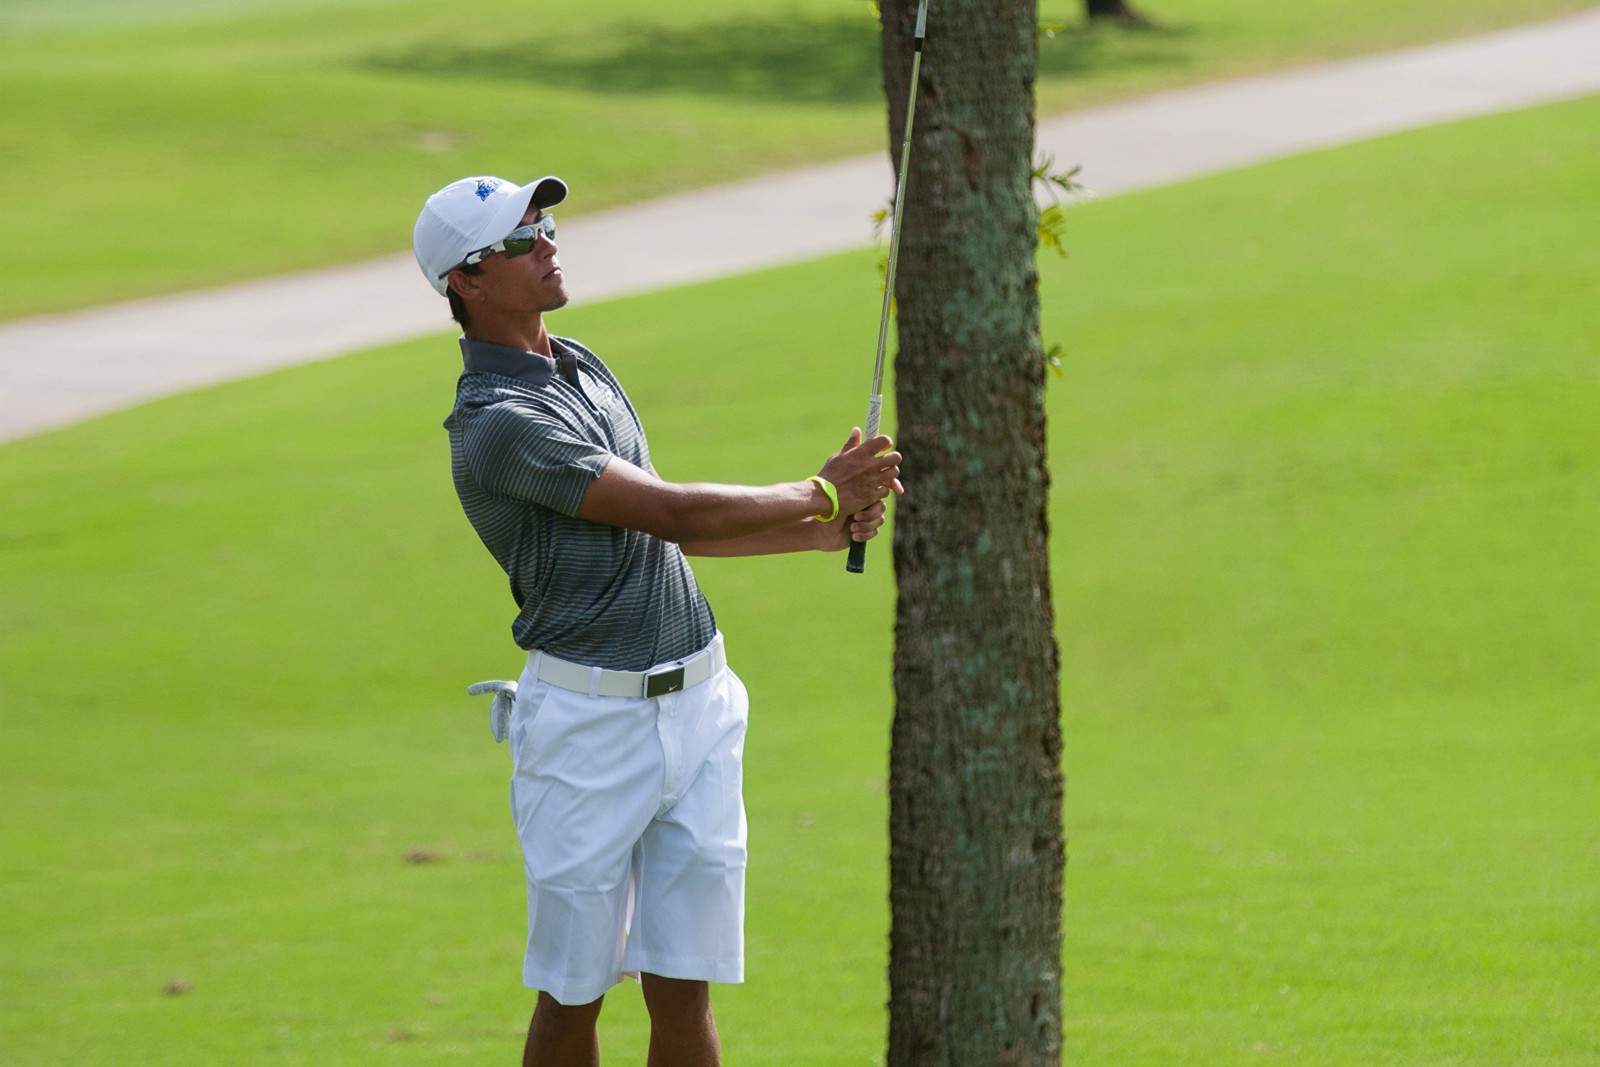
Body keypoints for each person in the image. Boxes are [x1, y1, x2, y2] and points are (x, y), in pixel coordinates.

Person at [412, 174, 903, 1066]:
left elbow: (664, 534)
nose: (548, 243)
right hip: (589, 730)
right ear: (466, 282)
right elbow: (673, 508)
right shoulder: (496, 422)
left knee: (684, 985)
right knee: (574, 992)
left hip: (701, 706)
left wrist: (817, 531)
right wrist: (819, 489)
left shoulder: (582, 366)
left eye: (545, 224)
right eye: (521, 240)